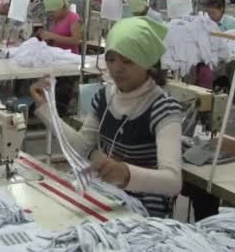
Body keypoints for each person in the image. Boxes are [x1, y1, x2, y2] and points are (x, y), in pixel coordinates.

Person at [30, 17, 182, 217]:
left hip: (143, 209)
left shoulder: (162, 108)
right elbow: (81, 145)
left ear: (147, 62)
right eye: (111, 59)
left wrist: (126, 174)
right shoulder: (105, 97)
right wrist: (46, 109)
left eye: (127, 60)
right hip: (107, 195)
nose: (116, 68)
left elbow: (173, 182)